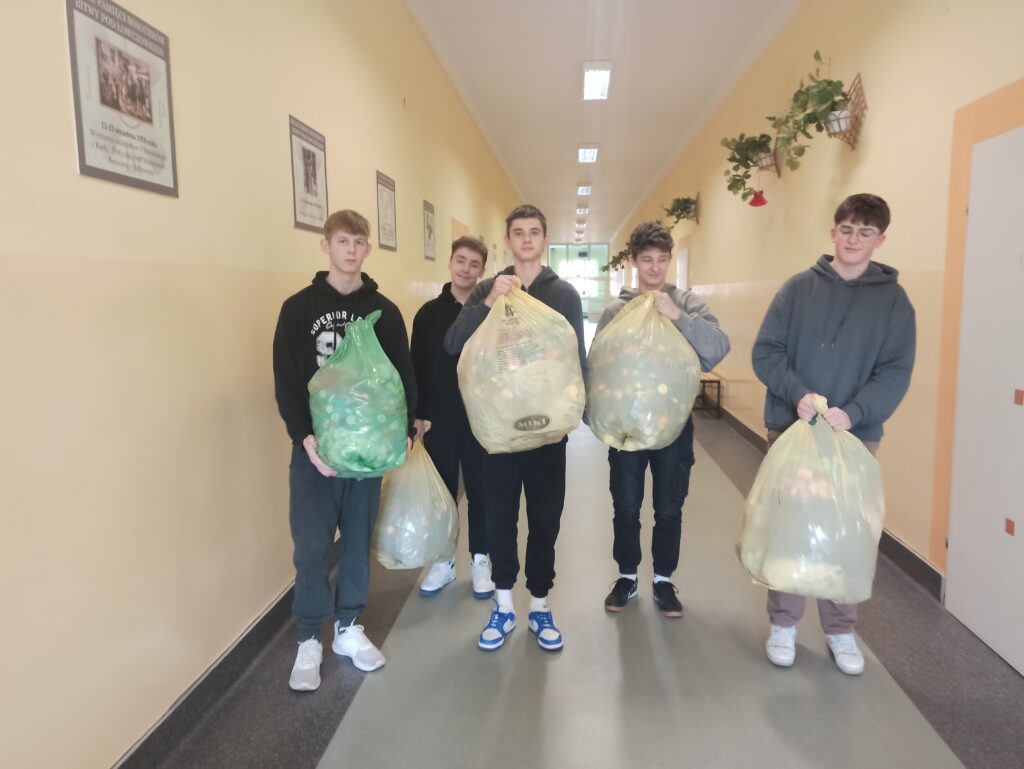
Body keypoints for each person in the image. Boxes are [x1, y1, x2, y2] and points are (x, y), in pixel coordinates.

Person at [751, 193, 916, 675]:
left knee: (847, 532)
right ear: (833, 232)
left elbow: (895, 372)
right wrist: (798, 394)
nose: (853, 239)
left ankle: (841, 630)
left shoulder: (894, 302)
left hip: (854, 437)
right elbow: (767, 352)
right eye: (846, 229)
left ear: (880, 239)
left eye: (865, 232)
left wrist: (855, 412)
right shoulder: (798, 289)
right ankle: (783, 624)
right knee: (789, 527)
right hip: (792, 430)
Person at [273, 209, 417, 691]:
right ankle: (309, 638)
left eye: (358, 243)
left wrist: (404, 434)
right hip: (315, 452)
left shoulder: (385, 312)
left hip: (368, 454)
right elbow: (286, 379)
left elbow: (403, 378)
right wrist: (305, 438)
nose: (351, 250)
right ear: (326, 246)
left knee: (356, 543)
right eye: (342, 241)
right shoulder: (297, 309)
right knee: (312, 547)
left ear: (368, 249)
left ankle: (349, 628)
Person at [444, 204, 586, 652]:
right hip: (499, 435)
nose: (526, 239)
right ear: (507, 240)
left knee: (545, 520)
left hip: (548, 434)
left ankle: (540, 605)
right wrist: (487, 302)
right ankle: (503, 605)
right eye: (518, 232)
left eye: (534, 232)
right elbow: (454, 344)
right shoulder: (486, 288)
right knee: (499, 518)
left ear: (545, 239)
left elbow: (576, 361)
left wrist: (569, 421)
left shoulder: (563, 294)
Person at [599, 221, 730, 618]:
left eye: (661, 259)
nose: (654, 268)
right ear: (634, 262)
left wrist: (677, 316)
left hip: (674, 428)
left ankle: (663, 580)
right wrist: (596, 418)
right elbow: (599, 365)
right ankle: (626, 576)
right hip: (627, 429)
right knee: (626, 504)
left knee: (669, 506)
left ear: (669, 260)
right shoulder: (617, 310)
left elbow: (717, 348)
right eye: (646, 260)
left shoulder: (688, 304)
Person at [410, 236, 494, 599]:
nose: (465, 269)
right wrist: (416, 417)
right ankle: (443, 561)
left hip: (481, 419)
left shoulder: (490, 311)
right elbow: (416, 366)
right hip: (441, 420)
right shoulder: (428, 314)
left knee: (481, 492)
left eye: (474, 264)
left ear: (482, 270)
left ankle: (481, 560)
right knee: (442, 494)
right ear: (449, 262)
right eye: (460, 260)